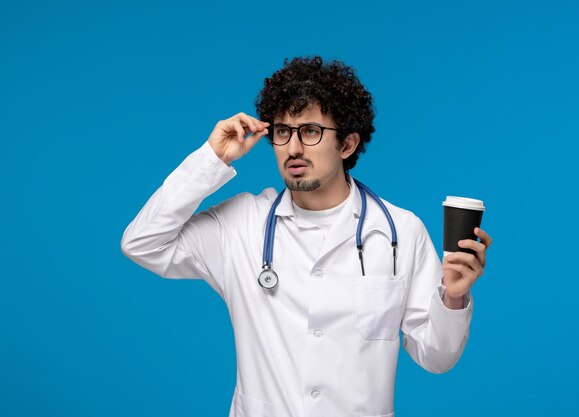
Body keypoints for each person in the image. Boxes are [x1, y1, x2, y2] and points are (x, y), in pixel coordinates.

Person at [121, 56, 492, 417]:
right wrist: (211, 159)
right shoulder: (240, 223)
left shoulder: (400, 232)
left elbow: (437, 358)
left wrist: (454, 298)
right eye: (283, 131)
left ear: (347, 145)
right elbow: (141, 242)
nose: (293, 147)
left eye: (311, 131)